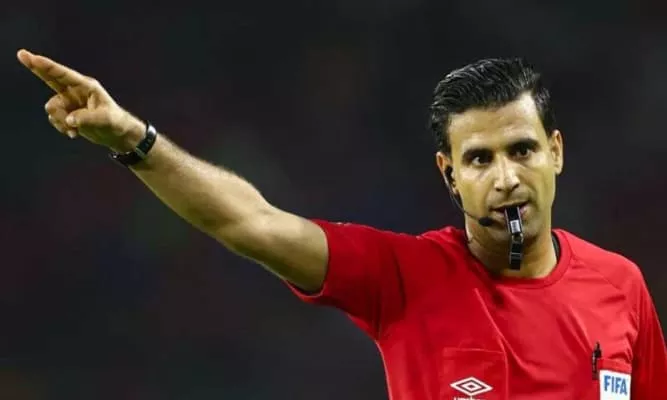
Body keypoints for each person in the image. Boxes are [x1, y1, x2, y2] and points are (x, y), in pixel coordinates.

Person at [17, 49, 666, 400]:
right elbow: (252, 223)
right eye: (479, 159)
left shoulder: (621, 287)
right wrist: (134, 140)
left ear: (555, 152)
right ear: (449, 174)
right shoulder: (401, 277)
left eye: (521, 150)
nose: (505, 178)